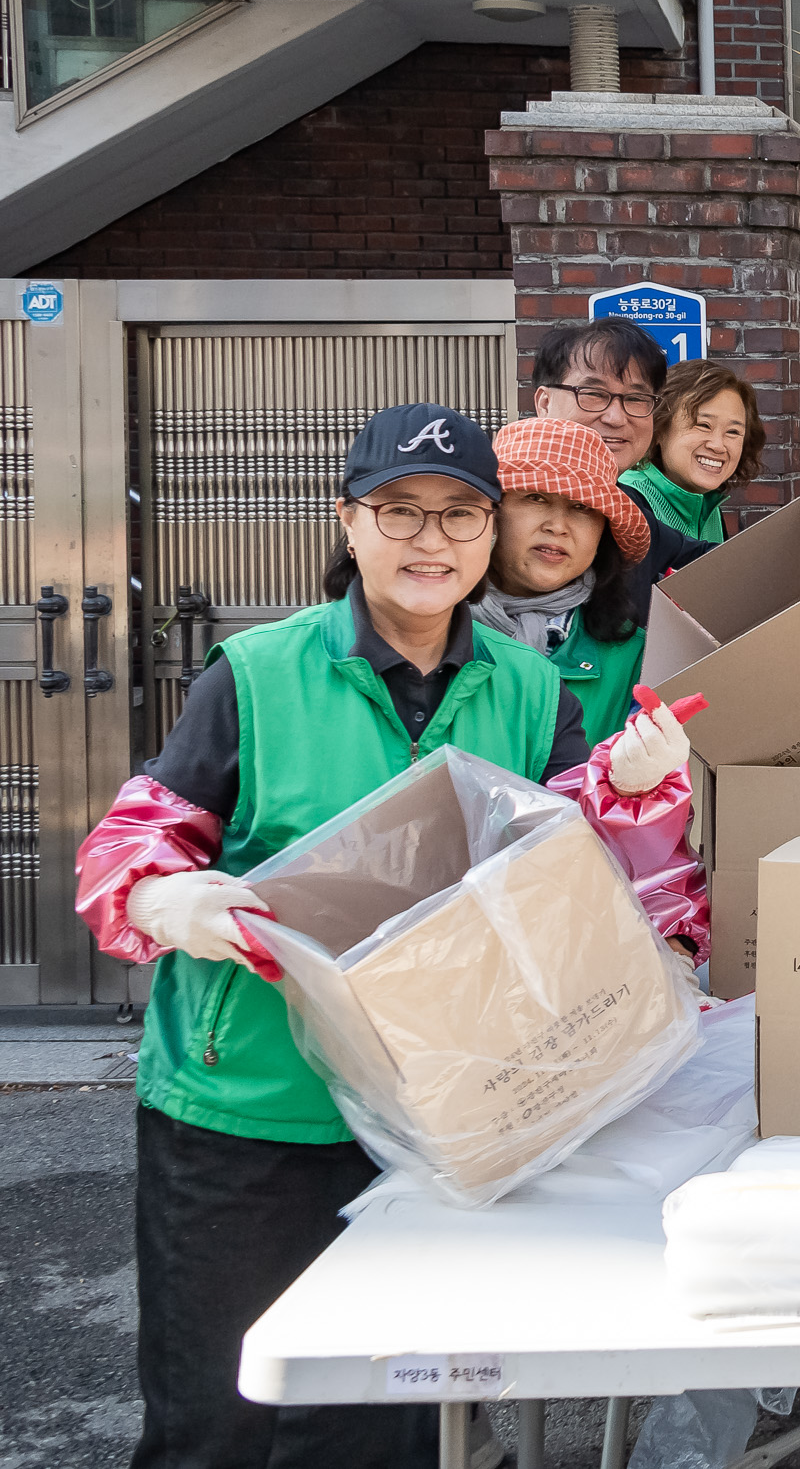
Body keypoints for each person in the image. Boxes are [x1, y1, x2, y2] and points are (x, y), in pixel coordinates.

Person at [70, 404, 703, 1469]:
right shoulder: (258, 673)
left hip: (433, 1116)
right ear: (349, 523)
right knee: (218, 1418)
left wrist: (625, 785)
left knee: (382, 1418)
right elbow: (127, 848)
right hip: (248, 1107)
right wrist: (171, 901)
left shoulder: (530, 682)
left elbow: (552, 848)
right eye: (398, 511)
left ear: (487, 532)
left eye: (460, 515)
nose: (430, 540)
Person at [485, 417, 654, 745]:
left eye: (581, 507)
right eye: (536, 497)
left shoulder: (637, 663)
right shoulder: (430, 633)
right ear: (491, 510)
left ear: (603, 531)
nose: (558, 526)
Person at [531, 318, 715, 615]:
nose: (616, 418)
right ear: (544, 403)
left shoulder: (631, 513)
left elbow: (717, 563)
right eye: (593, 394)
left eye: (637, 398)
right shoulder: (494, 502)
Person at [620, 358, 762, 545]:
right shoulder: (627, 501)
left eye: (733, 432)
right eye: (703, 425)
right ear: (658, 430)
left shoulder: (706, 503)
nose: (718, 445)